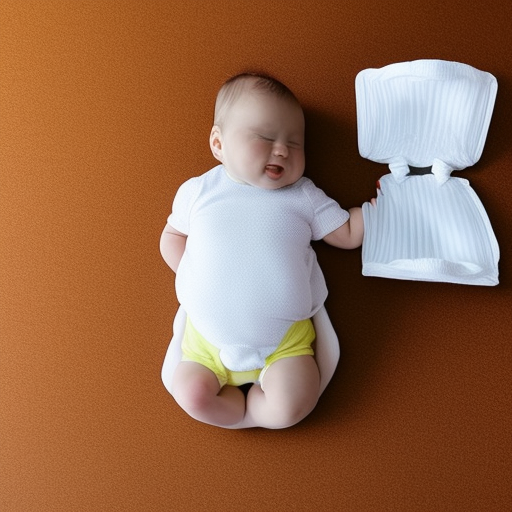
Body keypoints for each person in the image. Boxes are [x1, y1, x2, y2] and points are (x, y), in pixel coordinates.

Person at [160, 72, 365, 429]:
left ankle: (260, 411)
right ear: (219, 144)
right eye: (265, 138)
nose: (282, 149)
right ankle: (233, 412)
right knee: (190, 393)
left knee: (294, 404)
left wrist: (377, 212)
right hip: (206, 340)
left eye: (295, 143)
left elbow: (346, 233)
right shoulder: (199, 192)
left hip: (284, 342)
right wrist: (198, 276)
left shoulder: (303, 196)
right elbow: (172, 236)